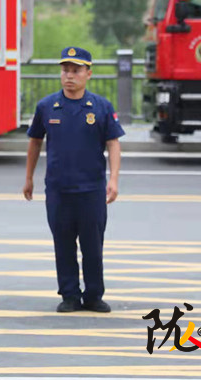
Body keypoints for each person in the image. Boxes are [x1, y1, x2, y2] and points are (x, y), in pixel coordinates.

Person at [22, 46, 124, 314]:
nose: (69, 76)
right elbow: (35, 142)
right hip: (59, 189)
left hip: (91, 189)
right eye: (65, 70)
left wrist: (113, 179)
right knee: (63, 244)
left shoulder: (101, 107)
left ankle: (93, 295)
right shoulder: (47, 106)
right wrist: (29, 177)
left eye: (76, 71)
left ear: (88, 74)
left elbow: (113, 143)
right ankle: (69, 294)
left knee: (93, 247)